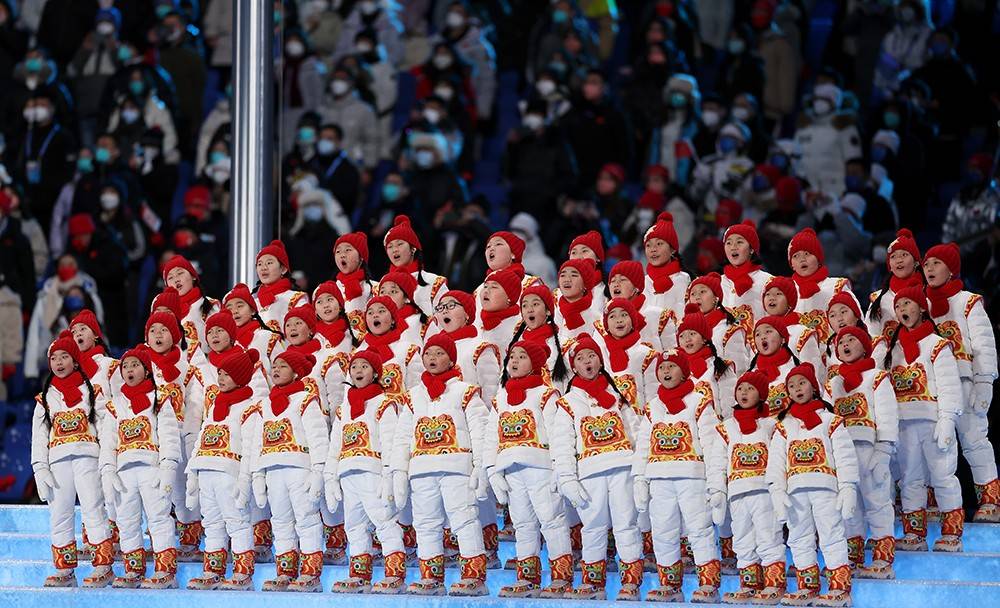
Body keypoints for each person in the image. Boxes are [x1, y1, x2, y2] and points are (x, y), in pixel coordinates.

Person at [389, 333, 490, 596]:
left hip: (456, 467)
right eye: (429, 354)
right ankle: (431, 577)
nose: (433, 358)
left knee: (464, 518)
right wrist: (399, 470)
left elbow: (480, 430)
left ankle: (474, 578)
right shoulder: (412, 396)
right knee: (425, 523)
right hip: (422, 469)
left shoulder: (465, 391)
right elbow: (401, 437)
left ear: (451, 358)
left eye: (439, 353)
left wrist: (480, 466)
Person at [550, 334, 643, 600]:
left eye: (591, 356)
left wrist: (640, 471)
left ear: (600, 362)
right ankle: (593, 583)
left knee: (626, 524)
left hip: (622, 468)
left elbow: (635, 432)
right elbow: (562, 444)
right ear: (574, 367)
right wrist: (567, 479)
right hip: (589, 473)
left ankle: (631, 583)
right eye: (580, 358)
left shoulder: (617, 397)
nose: (587, 361)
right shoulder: (568, 403)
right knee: (592, 527)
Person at [485, 340, 574, 598]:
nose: (514, 361)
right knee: (523, 524)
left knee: (552, 519)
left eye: (522, 356)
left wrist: (559, 468)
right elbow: (492, 436)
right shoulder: (500, 397)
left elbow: (557, 434)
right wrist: (493, 469)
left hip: (541, 468)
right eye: (512, 356)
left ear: (535, 363)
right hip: (512, 470)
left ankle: (561, 577)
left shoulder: (546, 394)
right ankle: (527, 578)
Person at [766, 362, 859, 606]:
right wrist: (777, 489)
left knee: (831, 534)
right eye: (792, 385)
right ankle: (807, 584)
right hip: (796, 492)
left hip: (825, 488)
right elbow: (775, 462)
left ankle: (840, 587)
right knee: (798, 536)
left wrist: (848, 486)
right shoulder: (784, 426)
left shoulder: (831, 421)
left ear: (814, 387)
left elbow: (845, 456)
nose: (797, 388)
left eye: (802, 383)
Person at [633, 350, 721, 602]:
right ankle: (669, 584)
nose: (666, 371)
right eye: (662, 368)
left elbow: (712, 444)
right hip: (659, 478)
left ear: (684, 370)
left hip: (692, 477)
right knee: (662, 531)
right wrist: (640, 478)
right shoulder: (653, 406)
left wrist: (714, 484)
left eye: (672, 366)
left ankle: (709, 584)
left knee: (699, 529)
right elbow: (642, 445)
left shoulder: (699, 402)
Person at [883, 286, 965, 552]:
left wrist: (947, 420)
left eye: (908, 304)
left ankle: (952, 533)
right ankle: (914, 533)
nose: (902, 310)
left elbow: (950, 385)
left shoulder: (937, 345)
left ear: (921, 308)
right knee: (909, 478)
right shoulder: (892, 350)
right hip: (904, 425)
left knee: (942, 476)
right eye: (898, 306)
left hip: (932, 423)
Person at [922, 244, 999, 521]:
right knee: (934, 444)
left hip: (964, 381)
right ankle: (936, 504)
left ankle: (990, 500)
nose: (929, 269)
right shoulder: (920, 304)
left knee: (974, 440)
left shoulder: (968, 302)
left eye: (936, 263)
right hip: (933, 386)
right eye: (926, 264)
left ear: (951, 269)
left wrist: (984, 381)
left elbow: (983, 345)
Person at [32, 330, 114, 588]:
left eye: (64, 356)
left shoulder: (93, 392)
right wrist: (40, 469)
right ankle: (64, 569)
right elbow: (38, 438)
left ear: (76, 361)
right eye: (54, 358)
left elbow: (106, 430)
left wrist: (107, 463)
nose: (58, 362)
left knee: (93, 509)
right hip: (57, 464)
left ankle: (103, 565)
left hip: (87, 459)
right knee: (60, 513)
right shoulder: (45, 398)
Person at [325, 349, 406, 594]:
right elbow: (334, 445)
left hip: (372, 472)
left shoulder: (384, 404)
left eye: (364, 366)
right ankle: (359, 574)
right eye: (355, 366)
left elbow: (390, 441)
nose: (358, 370)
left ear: (376, 373)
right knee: (354, 525)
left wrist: (388, 475)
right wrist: (330, 476)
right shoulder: (343, 409)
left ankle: (395, 573)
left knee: (383, 520)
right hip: (348, 472)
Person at [100, 345, 179, 589]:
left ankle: (165, 570)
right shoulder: (115, 406)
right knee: (126, 521)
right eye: (125, 366)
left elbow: (168, 435)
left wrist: (167, 468)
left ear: (146, 370)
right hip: (124, 472)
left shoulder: (159, 399)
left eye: (135, 365)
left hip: (151, 469)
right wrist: (107, 471)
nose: (129, 370)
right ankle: (133, 568)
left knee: (158, 518)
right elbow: (108, 442)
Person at [251, 349, 328, 592]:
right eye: (274, 365)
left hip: (299, 469)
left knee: (306, 519)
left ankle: (310, 573)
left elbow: (318, 438)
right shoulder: (264, 404)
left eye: (283, 366)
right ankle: (285, 570)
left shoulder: (305, 399)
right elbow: (256, 442)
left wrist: (318, 472)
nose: (276, 370)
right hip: (273, 470)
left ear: (296, 372)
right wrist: (257, 475)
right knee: (281, 521)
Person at [184, 348, 261, 591]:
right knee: (212, 523)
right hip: (206, 471)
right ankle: (213, 569)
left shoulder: (249, 408)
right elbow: (200, 440)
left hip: (230, 474)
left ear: (240, 376)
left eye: (227, 374)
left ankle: (242, 572)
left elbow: (250, 447)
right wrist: (192, 476)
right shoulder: (215, 405)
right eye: (219, 373)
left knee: (237, 521)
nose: (221, 378)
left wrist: (245, 481)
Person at [707, 370, 786, 603]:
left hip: (764, 492)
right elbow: (717, 462)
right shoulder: (726, 428)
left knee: (768, 536)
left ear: (761, 395)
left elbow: (780, 457)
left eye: (750, 389)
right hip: (737, 493)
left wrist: (780, 488)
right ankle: (749, 583)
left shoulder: (772, 425)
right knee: (742, 538)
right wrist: (717, 491)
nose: (743, 392)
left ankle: (774, 583)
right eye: (740, 388)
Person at [827, 326, 899, 578]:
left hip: (869, 450)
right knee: (849, 506)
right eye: (840, 341)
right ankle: (852, 557)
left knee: (877, 501)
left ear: (865, 346)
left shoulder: (876, 377)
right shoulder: (833, 383)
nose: (844, 344)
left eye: (851, 340)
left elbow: (888, 415)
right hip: (842, 453)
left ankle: (882, 558)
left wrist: (884, 451)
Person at [793, 83, 862, 197]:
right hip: (804, 190)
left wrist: (850, 191)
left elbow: (853, 163)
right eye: (816, 99)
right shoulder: (804, 127)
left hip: (833, 191)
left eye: (824, 99)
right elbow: (794, 157)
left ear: (834, 102)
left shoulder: (844, 127)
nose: (819, 103)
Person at [865, 229, 923, 341]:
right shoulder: (878, 298)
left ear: (916, 262)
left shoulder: (929, 293)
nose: (899, 260)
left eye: (904, 255)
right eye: (893, 256)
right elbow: (870, 335)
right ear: (890, 266)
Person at [721, 221, 774, 337]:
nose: (733, 247)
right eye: (728, 243)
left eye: (739, 242)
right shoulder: (716, 283)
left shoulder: (768, 282)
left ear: (751, 249)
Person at [253, 240, 309, 331]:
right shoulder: (252, 303)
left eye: (269, 263)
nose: (263, 268)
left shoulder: (295, 299)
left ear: (283, 269)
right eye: (259, 264)